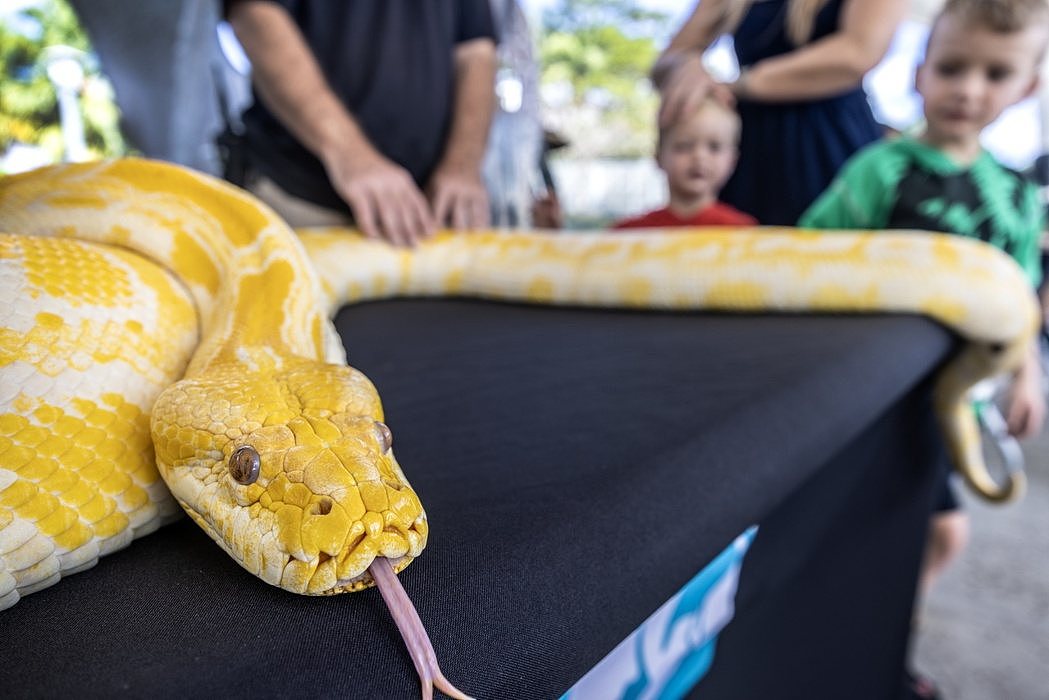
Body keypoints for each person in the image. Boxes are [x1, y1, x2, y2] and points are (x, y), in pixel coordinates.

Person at [800, 1, 1049, 694]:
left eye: (995, 73)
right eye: (950, 67)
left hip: (956, 404)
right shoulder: (878, 170)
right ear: (917, 74)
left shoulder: (1016, 194)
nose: (968, 88)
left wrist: (1025, 373)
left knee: (938, 535)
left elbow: (1018, 293)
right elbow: (809, 259)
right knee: (862, 528)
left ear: (1026, 87)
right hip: (869, 395)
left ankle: (883, 644)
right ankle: (835, 642)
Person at [224, 1, 498, 246]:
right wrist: (351, 154)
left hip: (435, 213)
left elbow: (476, 49)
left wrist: (462, 165)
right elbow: (255, 13)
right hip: (301, 198)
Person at [652, 0, 907, 226]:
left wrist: (740, 84)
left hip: (829, 142)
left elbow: (858, 53)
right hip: (753, 151)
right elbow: (669, 59)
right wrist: (688, 68)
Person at [613, 96, 757, 229]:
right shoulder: (628, 234)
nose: (699, 156)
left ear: (733, 160)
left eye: (714, 147)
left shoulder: (744, 233)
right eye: (684, 146)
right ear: (658, 156)